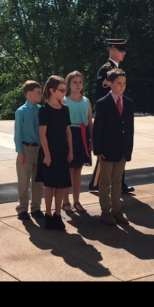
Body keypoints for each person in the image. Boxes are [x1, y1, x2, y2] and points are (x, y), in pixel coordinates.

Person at [89, 38, 135, 193]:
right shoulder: (105, 69)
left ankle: (114, 183)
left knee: (119, 150)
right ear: (113, 51)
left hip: (118, 115)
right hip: (110, 117)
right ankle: (100, 183)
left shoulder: (116, 68)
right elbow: (102, 95)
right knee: (108, 153)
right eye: (121, 51)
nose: (124, 53)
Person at [93, 68, 134, 225]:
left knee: (117, 180)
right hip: (108, 149)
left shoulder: (129, 103)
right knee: (105, 181)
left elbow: (130, 129)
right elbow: (98, 129)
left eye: (124, 83)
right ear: (110, 84)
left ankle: (116, 210)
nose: (122, 86)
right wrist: (98, 150)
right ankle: (105, 211)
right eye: (118, 83)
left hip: (122, 149)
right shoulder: (103, 103)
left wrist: (129, 149)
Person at [36, 75, 74, 230]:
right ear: (52, 90)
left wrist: (71, 150)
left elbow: (68, 132)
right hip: (49, 152)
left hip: (62, 151)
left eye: (66, 90)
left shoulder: (65, 109)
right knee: (50, 185)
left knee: (61, 185)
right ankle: (48, 214)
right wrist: (47, 154)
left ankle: (58, 214)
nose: (64, 93)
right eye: (62, 90)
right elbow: (42, 134)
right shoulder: (44, 110)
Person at [62, 71, 93, 214]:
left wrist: (91, 140)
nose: (78, 85)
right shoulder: (63, 100)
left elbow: (90, 123)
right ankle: (65, 201)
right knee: (67, 171)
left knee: (78, 170)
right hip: (69, 135)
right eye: (75, 82)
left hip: (82, 135)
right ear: (68, 84)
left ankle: (76, 201)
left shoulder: (86, 101)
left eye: (80, 82)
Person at [14, 80, 44, 221]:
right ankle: (22, 208)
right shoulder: (21, 111)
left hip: (39, 149)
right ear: (29, 94)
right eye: (39, 92)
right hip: (26, 148)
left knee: (38, 180)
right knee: (24, 180)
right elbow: (18, 133)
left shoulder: (41, 109)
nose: (41, 94)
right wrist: (20, 152)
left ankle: (36, 207)